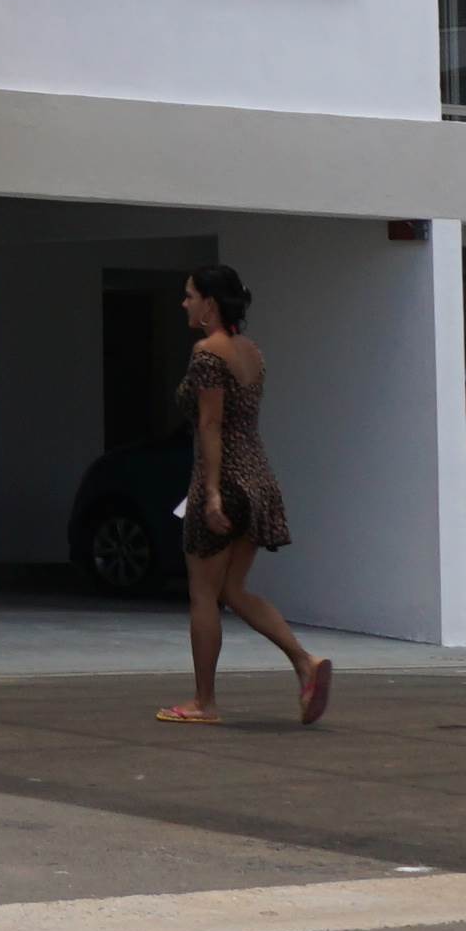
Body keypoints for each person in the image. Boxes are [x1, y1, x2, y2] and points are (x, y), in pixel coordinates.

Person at [154, 262, 327, 729]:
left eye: (190, 295)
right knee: (233, 590)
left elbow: (210, 424)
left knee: (203, 594)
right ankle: (305, 662)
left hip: (224, 479)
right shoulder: (252, 352)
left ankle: (204, 702)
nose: (184, 303)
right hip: (257, 477)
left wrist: (211, 494)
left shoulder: (207, 353)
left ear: (209, 303)